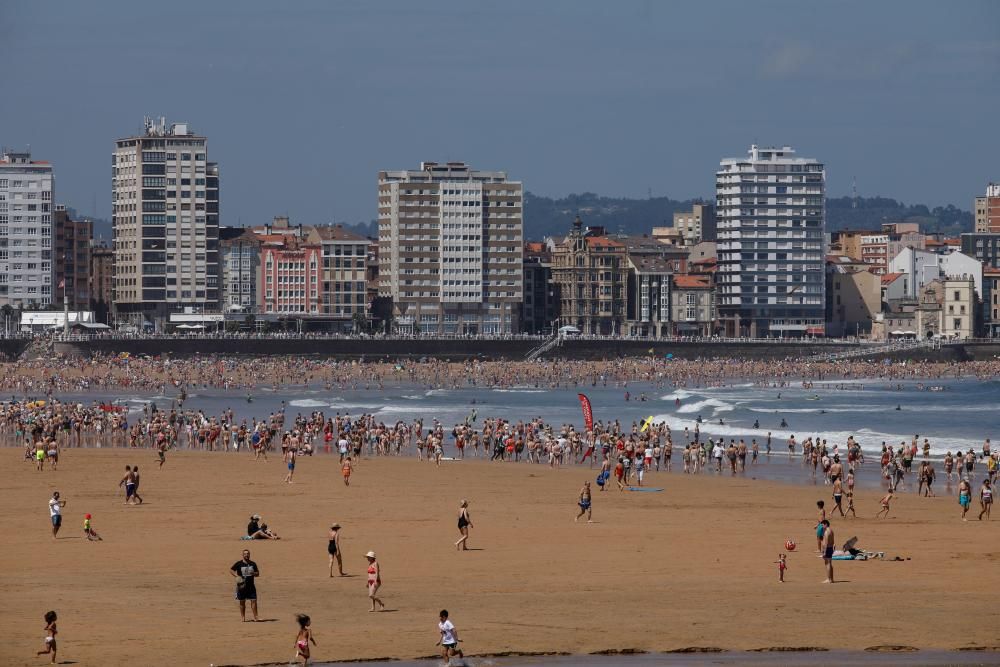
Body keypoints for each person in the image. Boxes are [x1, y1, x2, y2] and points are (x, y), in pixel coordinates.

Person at [230, 549, 260, 622]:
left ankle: (255, 617)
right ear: (243, 555)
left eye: (248, 554)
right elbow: (231, 570)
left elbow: (258, 573)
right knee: (242, 602)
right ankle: (243, 617)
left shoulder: (253, 564)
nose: (246, 555)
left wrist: (254, 573)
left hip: (251, 586)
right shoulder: (239, 563)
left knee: (254, 601)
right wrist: (236, 576)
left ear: (249, 555)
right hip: (242, 586)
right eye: (245, 554)